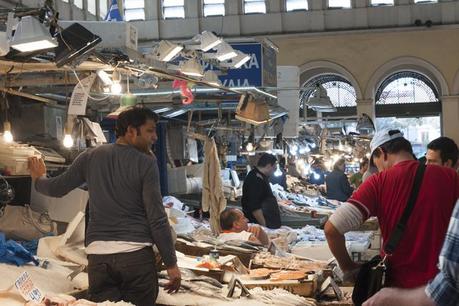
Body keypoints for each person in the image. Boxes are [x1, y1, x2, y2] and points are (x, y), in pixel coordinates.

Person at [28, 108, 181, 306]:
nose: (155, 137)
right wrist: (171, 263)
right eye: (150, 131)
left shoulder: (90, 156)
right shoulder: (146, 162)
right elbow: (157, 217)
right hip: (135, 258)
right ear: (131, 131)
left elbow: (57, 188)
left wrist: (38, 178)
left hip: (99, 259)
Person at [324, 129, 459, 289]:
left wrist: (349, 268)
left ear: (382, 153)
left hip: (397, 290)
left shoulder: (378, 183)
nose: (377, 168)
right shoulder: (451, 178)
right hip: (442, 290)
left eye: (376, 162)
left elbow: (331, 229)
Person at [363, 199, 459, 306]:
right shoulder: (454, 183)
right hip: (426, 288)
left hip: (408, 292)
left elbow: (449, 288)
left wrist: (348, 269)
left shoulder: (379, 182)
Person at [241, 153, 281, 229]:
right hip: (258, 225)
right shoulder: (255, 179)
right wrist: (264, 226)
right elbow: (255, 207)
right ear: (269, 166)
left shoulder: (261, 176)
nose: (273, 172)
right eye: (274, 168)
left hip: (267, 224)